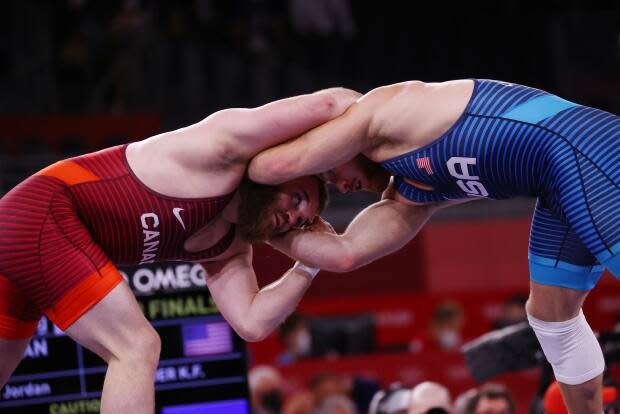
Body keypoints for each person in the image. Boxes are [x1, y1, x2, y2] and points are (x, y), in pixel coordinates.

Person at [248, 78, 620, 413]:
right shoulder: (413, 192)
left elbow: (275, 166)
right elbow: (344, 254)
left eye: (329, 172)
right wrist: (267, 227)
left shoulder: (382, 111)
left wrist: (231, 208)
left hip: (590, 148)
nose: (341, 186)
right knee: (551, 318)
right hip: (559, 187)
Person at [0, 87, 360, 413]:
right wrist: (388, 140)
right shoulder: (221, 148)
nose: (293, 217)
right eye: (298, 198)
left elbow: (252, 323)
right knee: (136, 348)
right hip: (43, 210)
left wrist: (308, 265)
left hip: (23, 234)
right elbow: (332, 103)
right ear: (281, 169)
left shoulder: (229, 247)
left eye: (302, 220)